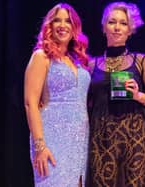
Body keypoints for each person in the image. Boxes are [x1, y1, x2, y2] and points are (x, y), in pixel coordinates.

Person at [86, 2, 145, 187]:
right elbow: (86, 103)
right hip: (101, 138)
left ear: (130, 29)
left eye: (123, 23)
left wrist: (138, 95)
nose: (117, 27)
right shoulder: (91, 64)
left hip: (134, 136)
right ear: (104, 27)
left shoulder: (141, 60)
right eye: (112, 22)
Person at [24, 3, 91, 186]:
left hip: (79, 141)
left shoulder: (78, 60)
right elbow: (30, 103)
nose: (62, 25)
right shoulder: (41, 56)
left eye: (68, 21)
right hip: (52, 139)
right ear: (49, 26)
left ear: (74, 27)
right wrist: (39, 146)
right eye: (57, 21)